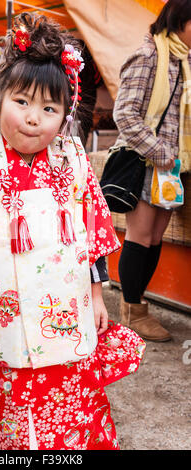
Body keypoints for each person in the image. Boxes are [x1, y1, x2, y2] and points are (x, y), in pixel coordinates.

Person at [0, 13, 145, 450]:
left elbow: (91, 227)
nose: (34, 119)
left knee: (78, 406)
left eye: (50, 109)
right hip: (7, 322)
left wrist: (97, 295)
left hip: (69, 309)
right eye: (22, 102)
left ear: (66, 115)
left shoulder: (72, 159)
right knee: (23, 427)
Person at [111, 0, 191, 342]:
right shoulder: (149, 55)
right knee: (140, 238)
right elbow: (125, 114)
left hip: (173, 168)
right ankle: (132, 310)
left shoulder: (184, 60)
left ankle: (137, 304)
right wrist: (160, 153)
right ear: (180, 20)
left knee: (156, 239)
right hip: (148, 163)